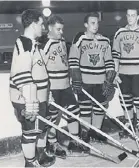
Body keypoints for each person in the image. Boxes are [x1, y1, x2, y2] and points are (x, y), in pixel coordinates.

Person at [9, 9, 55, 167]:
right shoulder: (25, 44)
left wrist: (47, 94)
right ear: (34, 24)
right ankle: (31, 163)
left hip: (39, 97)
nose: (43, 28)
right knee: (30, 132)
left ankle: (40, 155)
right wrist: (30, 102)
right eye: (41, 24)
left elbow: (39, 72)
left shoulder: (34, 44)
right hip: (28, 99)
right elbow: (20, 75)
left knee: (42, 127)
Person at [39, 15, 85, 157]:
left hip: (65, 85)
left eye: (62, 29)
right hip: (52, 86)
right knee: (52, 117)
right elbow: (40, 69)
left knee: (74, 110)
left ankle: (74, 140)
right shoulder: (43, 44)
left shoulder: (62, 41)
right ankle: (52, 143)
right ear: (50, 28)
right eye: (58, 29)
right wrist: (46, 91)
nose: (61, 32)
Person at [68, 12, 116, 143]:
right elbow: (73, 60)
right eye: (92, 23)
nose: (96, 26)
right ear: (86, 25)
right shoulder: (80, 39)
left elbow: (109, 62)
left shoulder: (104, 40)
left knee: (100, 107)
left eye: (97, 23)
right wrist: (76, 79)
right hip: (85, 81)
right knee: (85, 108)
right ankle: (85, 132)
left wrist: (109, 80)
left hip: (100, 81)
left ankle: (96, 131)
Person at [112, 8, 139, 139]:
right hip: (124, 72)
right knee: (125, 99)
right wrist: (115, 72)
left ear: (138, 17)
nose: (131, 18)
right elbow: (115, 55)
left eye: (133, 15)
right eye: (128, 15)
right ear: (126, 17)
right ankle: (129, 123)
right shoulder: (119, 33)